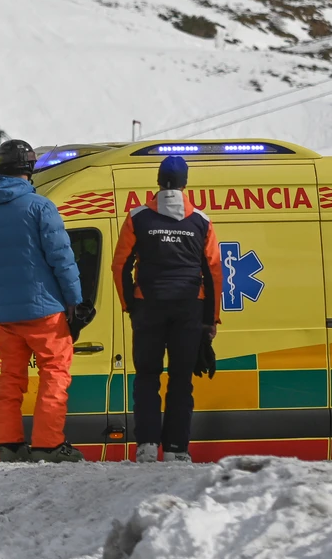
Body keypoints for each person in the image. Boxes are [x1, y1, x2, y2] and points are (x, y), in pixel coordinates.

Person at [0, 138, 87, 463]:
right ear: (29, 169)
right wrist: (75, 300)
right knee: (54, 372)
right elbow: (62, 258)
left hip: (6, 316)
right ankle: (48, 446)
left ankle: (9, 445)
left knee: (10, 377)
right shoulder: (40, 207)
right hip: (45, 310)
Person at [111, 156, 222, 463]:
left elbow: (120, 265)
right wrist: (210, 319)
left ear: (158, 182)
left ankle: (146, 446)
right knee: (181, 378)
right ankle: (176, 449)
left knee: (147, 376)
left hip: (148, 306)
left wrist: (131, 305)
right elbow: (213, 271)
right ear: (185, 184)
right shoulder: (202, 221)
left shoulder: (138, 218)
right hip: (189, 309)